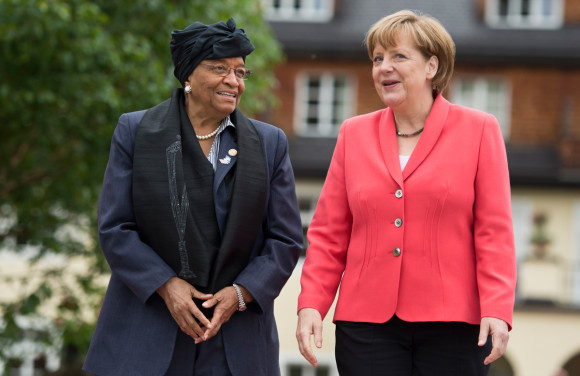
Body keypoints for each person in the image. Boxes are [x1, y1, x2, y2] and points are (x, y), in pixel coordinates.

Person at [296, 10, 516, 376]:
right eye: (377, 59)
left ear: (432, 65)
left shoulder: (479, 130)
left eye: (398, 56)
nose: (384, 67)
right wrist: (311, 305)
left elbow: (494, 232)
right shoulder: (353, 133)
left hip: (455, 326)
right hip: (365, 324)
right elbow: (328, 233)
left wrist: (497, 307)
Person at [83, 18, 303, 376]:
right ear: (187, 74)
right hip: (147, 338)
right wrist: (166, 286)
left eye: (240, 72)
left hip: (236, 343)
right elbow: (116, 227)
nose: (234, 81)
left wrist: (241, 293)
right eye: (220, 69)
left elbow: (285, 238)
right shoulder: (135, 132)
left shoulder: (269, 143)